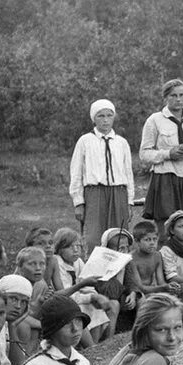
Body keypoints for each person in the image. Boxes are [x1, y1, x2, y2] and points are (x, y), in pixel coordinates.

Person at [139, 78, 183, 228]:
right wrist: (168, 154)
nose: (178, 99)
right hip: (166, 179)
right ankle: (164, 252)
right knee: (166, 227)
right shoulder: (155, 120)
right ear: (165, 98)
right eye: (173, 95)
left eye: (182, 95)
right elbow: (144, 154)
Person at [69, 99, 134, 252]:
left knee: (119, 236)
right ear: (94, 118)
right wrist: (78, 202)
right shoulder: (85, 141)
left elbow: (128, 174)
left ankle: (119, 272)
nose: (105, 120)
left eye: (109, 115)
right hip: (95, 193)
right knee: (93, 237)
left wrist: (129, 201)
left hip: (118, 192)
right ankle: (94, 272)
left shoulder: (121, 142)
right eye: (101, 116)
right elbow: (76, 171)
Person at [128, 220, 183, 303]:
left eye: (154, 239)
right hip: (137, 293)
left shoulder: (157, 255)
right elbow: (140, 287)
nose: (152, 243)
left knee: (173, 297)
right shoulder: (131, 259)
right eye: (147, 240)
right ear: (137, 241)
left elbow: (161, 281)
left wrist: (169, 286)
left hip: (151, 290)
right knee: (142, 299)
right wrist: (163, 288)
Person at [0, 274, 39, 365]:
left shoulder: (13, 326)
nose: (18, 306)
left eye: (24, 302)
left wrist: (12, 327)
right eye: (14, 299)